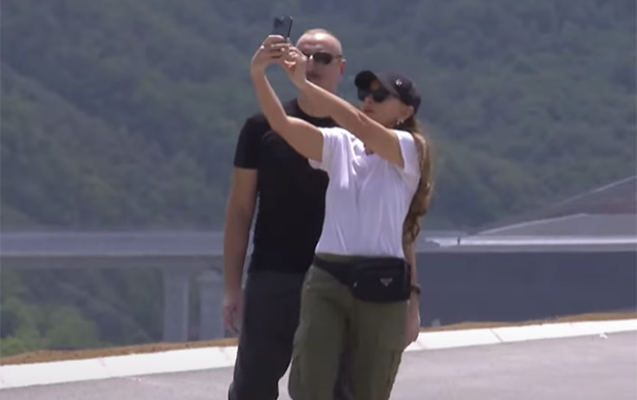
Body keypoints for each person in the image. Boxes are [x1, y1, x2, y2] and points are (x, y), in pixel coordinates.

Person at [249, 36, 432, 400]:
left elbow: (358, 123)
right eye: (364, 93)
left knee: (368, 388)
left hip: (382, 280)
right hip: (328, 275)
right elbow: (282, 125)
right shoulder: (340, 145)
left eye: (380, 96)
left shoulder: (411, 150)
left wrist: (304, 84)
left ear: (405, 112)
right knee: (310, 383)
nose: (368, 101)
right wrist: (259, 74)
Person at [223, 28, 353, 400]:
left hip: (339, 279)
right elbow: (240, 209)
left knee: (334, 389)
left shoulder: (360, 131)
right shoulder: (260, 127)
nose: (312, 65)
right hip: (273, 276)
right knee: (252, 388)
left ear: (340, 68)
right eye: (304, 55)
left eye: (323, 58)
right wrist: (232, 288)